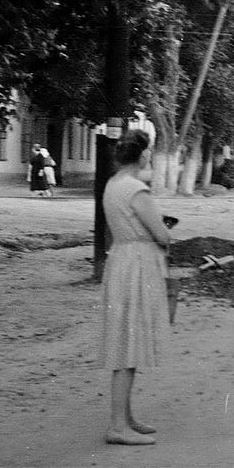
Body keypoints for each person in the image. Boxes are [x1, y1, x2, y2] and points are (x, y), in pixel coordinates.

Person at [100, 129, 172, 445]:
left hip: (121, 260)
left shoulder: (113, 185)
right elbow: (162, 235)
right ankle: (117, 426)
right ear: (142, 156)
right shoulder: (137, 189)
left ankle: (125, 418)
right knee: (128, 347)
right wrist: (164, 230)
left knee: (126, 342)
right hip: (138, 266)